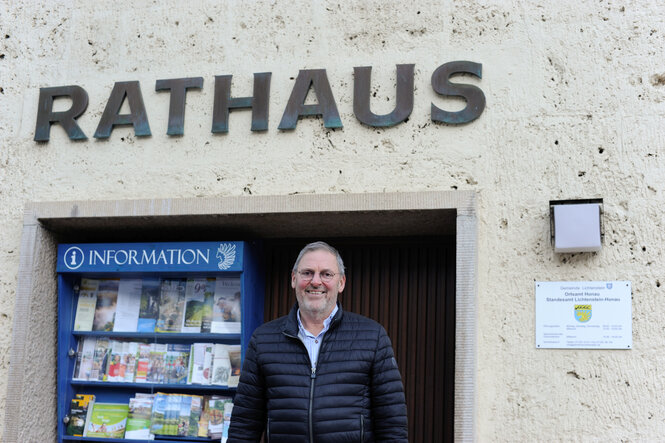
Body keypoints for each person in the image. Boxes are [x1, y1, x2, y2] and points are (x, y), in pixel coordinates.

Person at [228, 241, 408, 442]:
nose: (316, 281)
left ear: (341, 283)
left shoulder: (373, 337)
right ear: (294, 279)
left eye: (326, 274)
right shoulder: (263, 340)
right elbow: (243, 426)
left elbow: (392, 424)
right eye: (307, 273)